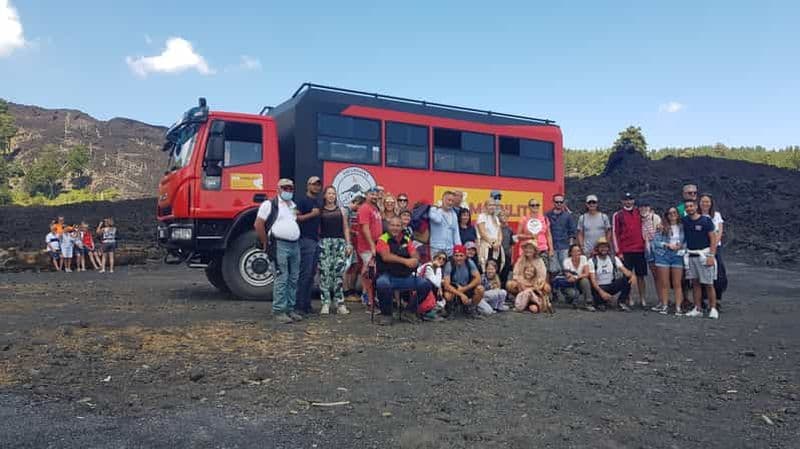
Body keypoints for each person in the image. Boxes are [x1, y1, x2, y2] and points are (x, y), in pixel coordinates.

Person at [255, 178, 303, 324]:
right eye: (285, 188)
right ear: (278, 189)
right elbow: (258, 224)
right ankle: (278, 310)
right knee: (282, 277)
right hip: (279, 244)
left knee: (294, 277)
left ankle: (289, 308)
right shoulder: (269, 204)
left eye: (291, 188)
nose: (288, 191)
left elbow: (295, 219)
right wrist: (265, 242)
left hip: (295, 245)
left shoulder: (292, 205)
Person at [374, 216, 430, 325]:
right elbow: (386, 257)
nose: (395, 228)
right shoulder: (382, 239)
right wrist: (405, 261)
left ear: (402, 227)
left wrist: (415, 259)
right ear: (388, 226)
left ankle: (409, 311)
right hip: (387, 275)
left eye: (398, 225)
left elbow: (414, 253)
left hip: (405, 276)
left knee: (425, 284)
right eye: (393, 225)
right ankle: (386, 314)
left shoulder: (406, 238)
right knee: (381, 283)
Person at [682, 198, 719, 319]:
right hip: (692, 255)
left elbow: (713, 239)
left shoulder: (706, 221)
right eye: (687, 207)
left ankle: (713, 308)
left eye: (691, 206)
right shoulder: (685, 220)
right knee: (695, 283)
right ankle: (697, 308)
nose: (689, 209)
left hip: (704, 255)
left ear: (696, 206)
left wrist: (711, 256)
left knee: (708, 283)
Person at [318, 186, 352, 315]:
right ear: (325, 196)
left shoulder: (341, 210)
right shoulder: (320, 211)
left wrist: (348, 244)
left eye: (333, 193)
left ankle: (340, 303)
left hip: (340, 243)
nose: (331, 196)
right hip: (325, 243)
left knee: (338, 274)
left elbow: (346, 228)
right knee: (325, 274)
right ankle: (325, 303)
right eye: (329, 193)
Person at [612, 192, 647, 307]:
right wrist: (618, 252)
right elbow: (615, 233)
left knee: (641, 276)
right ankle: (628, 297)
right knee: (627, 276)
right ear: (622, 201)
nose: (628, 202)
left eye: (630, 199)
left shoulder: (640, 212)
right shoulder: (618, 215)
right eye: (626, 199)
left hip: (640, 249)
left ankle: (642, 298)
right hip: (626, 250)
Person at [295, 176, 323, 315]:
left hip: (315, 240)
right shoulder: (302, 201)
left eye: (318, 185)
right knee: (304, 273)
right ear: (308, 186)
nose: (316, 187)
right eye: (313, 184)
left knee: (311, 274)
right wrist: (311, 215)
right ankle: (299, 306)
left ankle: (307, 305)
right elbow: (296, 218)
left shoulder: (317, 202)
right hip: (305, 240)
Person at [651, 207, 685, 315]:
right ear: (666, 215)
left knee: (677, 283)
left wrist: (681, 246)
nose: (672, 215)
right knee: (664, 283)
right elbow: (655, 242)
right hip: (663, 255)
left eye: (674, 213)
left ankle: (678, 307)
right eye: (670, 213)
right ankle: (665, 305)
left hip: (677, 255)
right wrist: (666, 245)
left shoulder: (682, 227)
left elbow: (686, 241)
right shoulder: (661, 227)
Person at [588, 237, 636, 311]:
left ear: (608, 248)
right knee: (601, 304)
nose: (604, 249)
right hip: (598, 288)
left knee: (627, 279)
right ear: (597, 248)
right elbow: (593, 281)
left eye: (606, 247)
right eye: (601, 247)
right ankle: (600, 302)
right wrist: (602, 292)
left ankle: (621, 302)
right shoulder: (592, 261)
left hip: (611, 285)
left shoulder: (614, 259)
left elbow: (625, 271)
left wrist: (632, 276)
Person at [356, 187, 384, 307]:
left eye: (375, 194)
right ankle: (369, 299)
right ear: (366, 195)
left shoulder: (375, 208)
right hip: (367, 247)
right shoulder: (364, 208)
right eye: (371, 194)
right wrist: (372, 246)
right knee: (369, 273)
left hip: (375, 246)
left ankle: (368, 296)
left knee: (370, 272)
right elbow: (365, 228)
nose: (374, 196)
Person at [699, 193, 727, 307]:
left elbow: (719, 232)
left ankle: (717, 298)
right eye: (703, 201)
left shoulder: (716, 215)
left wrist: (713, 247)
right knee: (701, 273)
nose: (705, 204)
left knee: (719, 272)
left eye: (707, 201)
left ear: (711, 203)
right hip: (701, 248)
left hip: (715, 247)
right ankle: (704, 298)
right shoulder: (696, 215)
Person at [442, 244, 484, 318]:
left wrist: (464, 289)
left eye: (461, 255)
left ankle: (471, 308)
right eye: (456, 255)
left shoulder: (469, 262)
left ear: (465, 256)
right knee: (447, 294)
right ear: (453, 256)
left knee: (480, 289)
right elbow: (446, 285)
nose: (459, 258)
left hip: (466, 287)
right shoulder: (449, 264)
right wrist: (461, 294)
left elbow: (478, 279)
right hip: (455, 288)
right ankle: (451, 309)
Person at [515, 199, 553, 272]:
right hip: (528, 250)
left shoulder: (544, 219)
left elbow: (548, 235)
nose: (535, 207)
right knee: (527, 272)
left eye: (537, 205)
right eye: (533, 205)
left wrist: (551, 249)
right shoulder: (524, 219)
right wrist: (530, 236)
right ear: (529, 207)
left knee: (543, 271)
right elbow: (518, 236)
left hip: (542, 249)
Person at [545, 193, 576, 274]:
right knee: (553, 270)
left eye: (561, 202)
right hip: (552, 247)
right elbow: (545, 232)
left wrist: (570, 247)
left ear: (563, 203)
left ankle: (566, 286)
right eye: (557, 202)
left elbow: (572, 232)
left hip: (565, 247)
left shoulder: (568, 216)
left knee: (566, 269)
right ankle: (554, 286)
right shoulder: (547, 215)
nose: (559, 203)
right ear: (553, 202)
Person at [343, 195, 366, 301]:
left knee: (354, 264)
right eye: (360, 206)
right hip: (345, 242)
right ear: (356, 203)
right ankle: (346, 292)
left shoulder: (351, 211)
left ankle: (351, 290)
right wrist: (355, 232)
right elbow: (344, 227)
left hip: (350, 242)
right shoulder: (345, 210)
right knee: (346, 266)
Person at [559, 244, 594, 311]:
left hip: (579, 281)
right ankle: (569, 298)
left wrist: (576, 277)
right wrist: (575, 276)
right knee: (573, 294)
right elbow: (568, 275)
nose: (577, 253)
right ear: (570, 253)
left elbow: (586, 273)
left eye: (578, 251)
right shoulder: (566, 261)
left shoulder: (583, 258)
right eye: (574, 251)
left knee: (585, 280)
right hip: (569, 284)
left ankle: (588, 303)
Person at [639, 199, 661, 297]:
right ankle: (660, 299)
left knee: (660, 274)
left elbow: (660, 233)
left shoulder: (655, 217)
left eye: (646, 206)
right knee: (655, 274)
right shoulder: (638, 219)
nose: (643, 208)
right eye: (641, 207)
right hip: (646, 247)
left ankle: (663, 300)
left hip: (657, 247)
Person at [428, 191, 461, 258]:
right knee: (436, 267)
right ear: (442, 199)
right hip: (436, 247)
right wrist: (439, 208)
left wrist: (459, 247)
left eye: (452, 201)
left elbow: (456, 232)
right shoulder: (433, 210)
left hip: (449, 249)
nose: (450, 203)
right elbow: (438, 219)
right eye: (449, 200)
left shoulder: (454, 214)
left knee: (449, 268)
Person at [476, 200, 504, 273]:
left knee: (496, 268)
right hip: (487, 245)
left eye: (494, 205)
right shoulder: (482, 216)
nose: (492, 207)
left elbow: (499, 232)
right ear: (485, 206)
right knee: (486, 268)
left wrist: (499, 242)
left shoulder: (496, 218)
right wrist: (492, 243)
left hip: (497, 246)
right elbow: (482, 233)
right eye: (490, 205)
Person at [498, 210, 515, 285]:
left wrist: (512, 257)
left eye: (506, 216)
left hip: (507, 255)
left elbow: (512, 245)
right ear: (498, 217)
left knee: (505, 275)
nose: (504, 217)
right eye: (502, 215)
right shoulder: (496, 228)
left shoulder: (510, 230)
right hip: (498, 255)